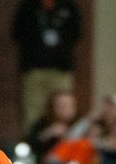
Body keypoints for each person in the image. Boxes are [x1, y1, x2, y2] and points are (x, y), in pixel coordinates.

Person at [12, 0, 82, 130]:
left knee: (63, 105)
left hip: (60, 68)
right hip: (34, 67)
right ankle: (33, 141)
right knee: (33, 107)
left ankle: (64, 140)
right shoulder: (28, 6)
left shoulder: (68, 6)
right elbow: (17, 32)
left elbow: (76, 33)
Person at [25, 90, 79, 161]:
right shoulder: (43, 123)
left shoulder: (79, 122)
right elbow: (27, 145)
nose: (66, 109)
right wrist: (47, 134)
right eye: (62, 106)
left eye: (70, 105)